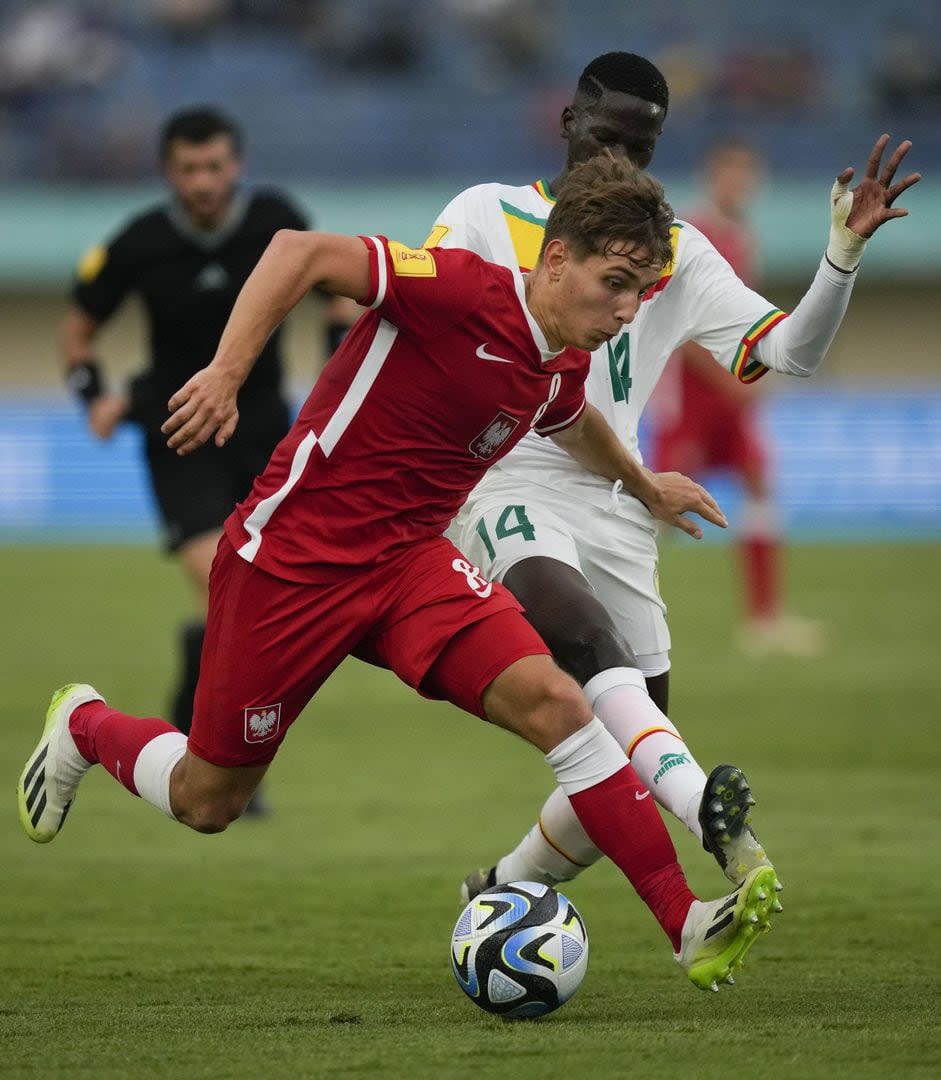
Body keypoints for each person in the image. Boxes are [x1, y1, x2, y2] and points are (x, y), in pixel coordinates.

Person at [21, 155, 779, 993]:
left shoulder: (555, 364)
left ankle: (684, 922)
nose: (627, 309)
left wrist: (641, 486)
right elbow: (294, 252)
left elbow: (576, 424)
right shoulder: (459, 289)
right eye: (615, 283)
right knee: (209, 800)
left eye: (641, 291)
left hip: (412, 566)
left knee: (561, 704)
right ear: (555, 259)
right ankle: (86, 726)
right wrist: (228, 374)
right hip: (293, 565)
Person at [427, 52, 920, 898]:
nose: (616, 159)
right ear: (568, 125)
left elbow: (786, 355)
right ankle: (714, 823)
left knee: (638, 733)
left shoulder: (676, 253)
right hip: (501, 478)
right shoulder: (486, 214)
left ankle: (503, 888)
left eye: (638, 149)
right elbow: (418, 326)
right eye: (604, 136)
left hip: (617, 493)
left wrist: (840, 252)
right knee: (580, 639)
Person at [61, 106, 346, 815]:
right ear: (169, 174)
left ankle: (192, 735)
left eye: (215, 167)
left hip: (265, 443)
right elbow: (77, 334)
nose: (204, 182)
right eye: (189, 170)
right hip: (178, 441)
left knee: (247, 605)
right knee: (225, 589)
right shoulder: (140, 242)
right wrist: (92, 395)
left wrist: (337, 382)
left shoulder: (275, 222)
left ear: (236, 166)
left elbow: (340, 299)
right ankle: (217, 767)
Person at [649, 136, 825, 657]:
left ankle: (765, 620)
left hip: (730, 399)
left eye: (748, 173)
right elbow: (686, 327)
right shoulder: (694, 236)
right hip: (693, 399)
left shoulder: (742, 236)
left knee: (759, 484)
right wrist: (734, 379)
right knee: (651, 507)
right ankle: (601, 608)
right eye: (731, 173)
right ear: (713, 177)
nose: (740, 183)